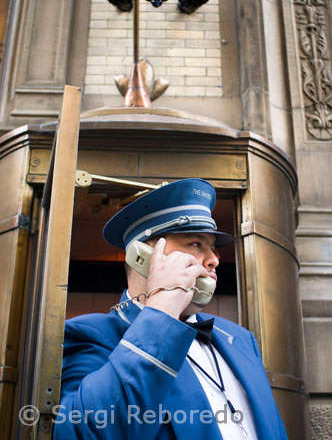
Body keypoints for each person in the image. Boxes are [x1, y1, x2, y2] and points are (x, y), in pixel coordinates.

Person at [53, 178, 288, 439]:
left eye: (213, 249)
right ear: (142, 257)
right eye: (196, 244)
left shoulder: (241, 339)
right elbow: (85, 432)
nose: (214, 260)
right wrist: (162, 310)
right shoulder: (90, 335)